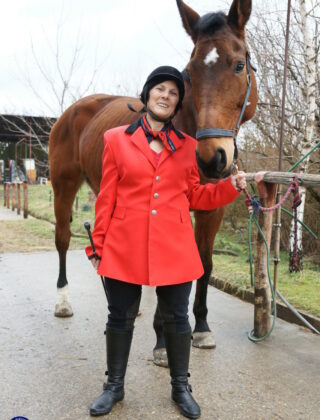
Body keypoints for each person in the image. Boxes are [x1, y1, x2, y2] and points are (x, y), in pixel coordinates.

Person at [85, 66, 247, 418]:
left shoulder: (189, 148)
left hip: (175, 246)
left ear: (177, 105)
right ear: (147, 95)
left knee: (177, 318)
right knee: (119, 316)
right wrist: (97, 246)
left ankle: (180, 387)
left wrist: (232, 186)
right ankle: (114, 385)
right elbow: (106, 198)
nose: (166, 96)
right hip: (123, 244)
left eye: (173, 93)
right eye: (160, 89)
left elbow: (195, 196)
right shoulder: (115, 139)